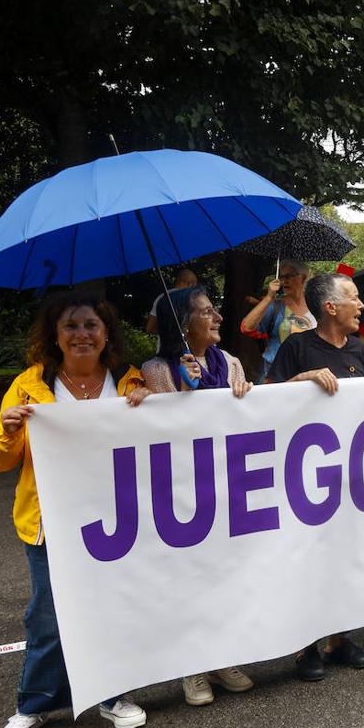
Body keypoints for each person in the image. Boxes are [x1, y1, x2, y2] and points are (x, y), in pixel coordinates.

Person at [0, 292, 152, 728]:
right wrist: (7, 428)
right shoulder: (28, 386)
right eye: (71, 327)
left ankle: (111, 695)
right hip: (49, 525)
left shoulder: (129, 382)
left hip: (116, 522)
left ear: (106, 334)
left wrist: (150, 405)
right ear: (55, 337)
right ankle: (33, 705)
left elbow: (158, 443)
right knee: (48, 615)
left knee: (112, 607)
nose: (81, 334)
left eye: (91, 326)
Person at [141, 287, 256, 704]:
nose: (218, 318)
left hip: (228, 488)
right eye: (207, 312)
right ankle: (192, 668)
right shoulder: (156, 369)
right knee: (188, 579)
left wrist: (248, 398)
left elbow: (248, 420)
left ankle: (222, 655)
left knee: (225, 575)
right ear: (183, 324)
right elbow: (161, 431)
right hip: (184, 494)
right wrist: (183, 395)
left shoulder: (232, 363)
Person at [265, 273, 364, 680]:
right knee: (306, 558)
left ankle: (338, 638)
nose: (361, 304)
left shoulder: (359, 349)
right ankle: (304, 645)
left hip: (348, 475)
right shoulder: (297, 347)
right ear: (330, 307)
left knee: (342, 557)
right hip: (304, 478)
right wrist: (302, 380)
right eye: (354, 297)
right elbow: (266, 398)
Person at [241, 259, 316, 383]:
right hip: (275, 375)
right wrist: (269, 297)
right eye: (281, 277)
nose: (284, 281)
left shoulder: (316, 306)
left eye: (289, 276)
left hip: (308, 373)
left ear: (303, 278)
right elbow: (246, 327)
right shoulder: (276, 306)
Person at [145, 267, 197, 336]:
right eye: (194, 286)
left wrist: (168, 332)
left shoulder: (161, 298)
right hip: (188, 345)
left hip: (164, 345)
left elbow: (149, 328)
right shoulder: (192, 299)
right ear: (189, 284)